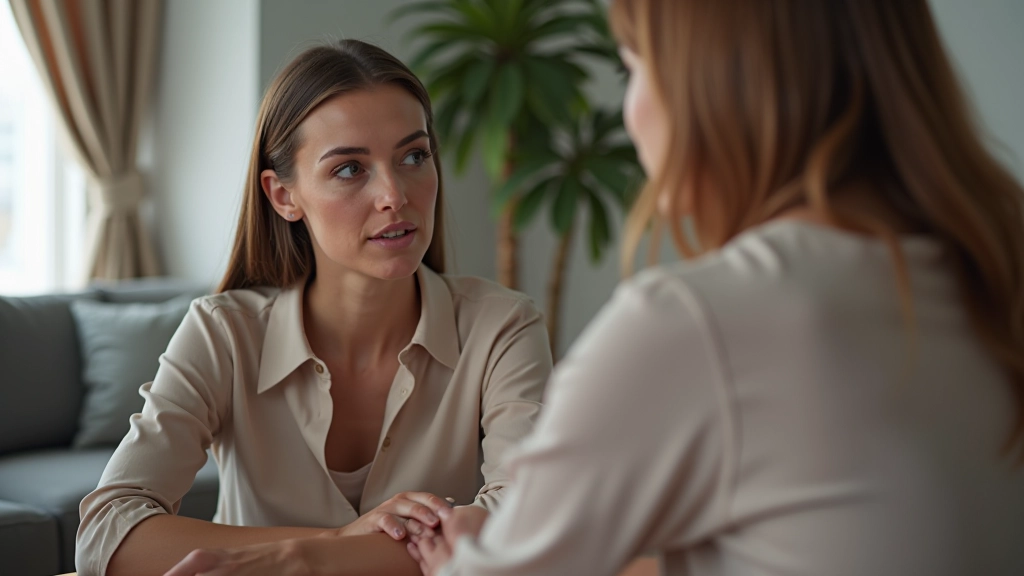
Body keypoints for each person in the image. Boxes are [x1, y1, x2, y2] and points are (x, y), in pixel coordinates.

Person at [403, 0, 1024, 574]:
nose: (631, 114)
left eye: (632, 69)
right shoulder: (995, 275)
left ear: (713, 83)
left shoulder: (698, 321)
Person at [75, 39, 552, 576]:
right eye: (349, 169)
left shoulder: (501, 325)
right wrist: (337, 540)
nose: (395, 194)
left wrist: (303, 559)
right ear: (283, 196)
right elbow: (107, 533)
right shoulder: (223, 332)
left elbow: (528, 519)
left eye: (414, 156)